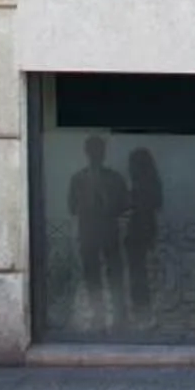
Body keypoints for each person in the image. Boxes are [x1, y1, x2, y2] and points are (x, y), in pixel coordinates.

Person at [67, 131, 126, 333]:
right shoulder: (78, 179)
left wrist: (108, 202)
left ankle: (119, 317)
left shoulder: (114, 178)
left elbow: (124, 205)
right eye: (93, 150)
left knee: (115, 275)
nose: (96, 154)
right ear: (87, 152)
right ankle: (98, 316)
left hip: (109, 233)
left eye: (99, 150)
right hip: (89, 233)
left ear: (104, 152)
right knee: (92, 276)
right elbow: (72, 207)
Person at [123, 148, 163, 326]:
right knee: (140, 275)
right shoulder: (151, 185)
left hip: (139, 233)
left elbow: (140, 209)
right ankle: (144, 314)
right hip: (142, 233)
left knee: (139, 275)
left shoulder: (143, 186)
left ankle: (143, 314)